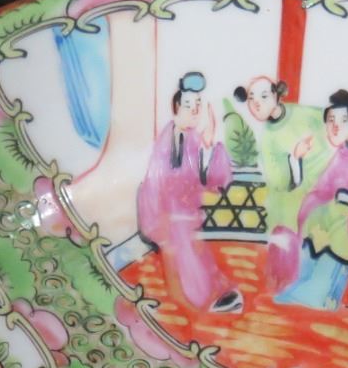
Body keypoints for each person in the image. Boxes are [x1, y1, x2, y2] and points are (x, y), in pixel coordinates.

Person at [136, 71, 242, 315]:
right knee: (185, 249)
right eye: (187, 105)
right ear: (176, 108)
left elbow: (212, 179)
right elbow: (156, 179)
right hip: (166, 209)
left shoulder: (195, 138)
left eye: (197, 104)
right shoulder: (166, 140)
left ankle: (212, 290)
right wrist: (157, 217)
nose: (194, 110)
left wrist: (209, 147)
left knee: (196, 249)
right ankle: (203, 297)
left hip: (188, 210)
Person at [279, 90, 348, 311]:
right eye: (331, 121)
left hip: (347, 224)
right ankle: (304, 286)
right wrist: (318, 206)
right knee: (315, 221)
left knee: (335, 231)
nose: (336, 127)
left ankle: (320, 294)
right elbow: (322, 188)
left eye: (343, 120)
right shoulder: (342, 153)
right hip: (327, 219)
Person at [232, 75, 326, 295]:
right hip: (289, 197)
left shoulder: (304, 114)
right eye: (252, 99)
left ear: (277, 95)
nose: (257, 104)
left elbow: (326, 131)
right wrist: (295, 159)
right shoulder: (268, 138)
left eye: (264, 96)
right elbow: (279, 181)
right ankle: (283, 285)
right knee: (284, 223)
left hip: (319, 183)